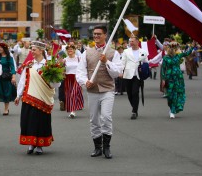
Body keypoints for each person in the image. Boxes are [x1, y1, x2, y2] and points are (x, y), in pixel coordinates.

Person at [76, 25, 123, 159]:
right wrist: (85, 81)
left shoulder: (113, 53)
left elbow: (116, 73)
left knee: (106, 117)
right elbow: (80, 72)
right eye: (94, 34)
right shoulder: (87, 52)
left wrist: (106, 61)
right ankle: (97, 147)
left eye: (99, 34)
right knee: (94, 119)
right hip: (93, 90)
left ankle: (107, 147)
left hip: (107, 89)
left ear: (105, 35)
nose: (96, 36)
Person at [14, 41, 60, 155]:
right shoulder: (29, 65)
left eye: (34, 50)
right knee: (28, 120)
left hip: (43, 97)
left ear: (41, 50)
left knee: (41, 121)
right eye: (31, 50)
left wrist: (53, 78)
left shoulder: (49, 65)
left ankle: (39, 145)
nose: (32, 52)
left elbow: (56, 84)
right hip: (29, 97)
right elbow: (23, 81)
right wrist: (18, 95)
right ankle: (31, 143)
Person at [161, 41, 195, 119]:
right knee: (170, 95)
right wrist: (163, 79)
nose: (172, 50)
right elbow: (163, 69)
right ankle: (171, 107)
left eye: (174, 48)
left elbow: (187, 53)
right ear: (168, 49)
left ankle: (173, 111)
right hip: (169, 78)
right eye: (170, 48)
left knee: (176, 93)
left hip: (178, 78)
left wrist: (192, 46)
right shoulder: (165, 58)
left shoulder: (178, 56)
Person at [121, 36, 148, 120]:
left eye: (132, 41)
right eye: (130, 41)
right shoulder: (126, 51)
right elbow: (123, 62)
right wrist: (121, 72)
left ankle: (134, 111)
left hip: (138, 75)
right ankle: (134, 107)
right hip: (128, 74)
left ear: (137, 42)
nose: (131, 43)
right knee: (129, 94)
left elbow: (146, 63)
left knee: (135, 92)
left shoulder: (143, 52)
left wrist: (144, 69)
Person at [0, 42, 17, 116]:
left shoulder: (10, 58)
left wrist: (13, 77)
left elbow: (12, 68)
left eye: (1, 47)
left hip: (6, 77)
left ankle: (6, 109)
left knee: (7, 93)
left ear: (5, 48)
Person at [63, 43, 84, 118]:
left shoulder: (78, 58)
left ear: (74, 50)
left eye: (71, 49)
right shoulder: (65, 59)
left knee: (74, 94)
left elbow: (82, 68)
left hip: (76, 78)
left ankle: (73, 111)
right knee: (69, 95)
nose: (70, 51)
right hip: (68, 78)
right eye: (68, 50)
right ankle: (74, 108)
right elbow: (62, 70)